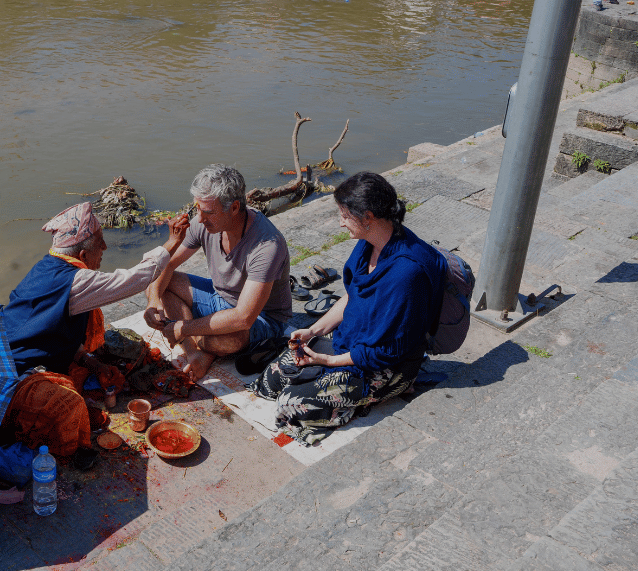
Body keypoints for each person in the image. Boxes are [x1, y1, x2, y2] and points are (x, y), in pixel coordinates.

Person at [251, 172, 448, 445]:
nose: (340, 223)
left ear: (367, 217)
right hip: (351, 344)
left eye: (344, 215)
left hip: (386, 365)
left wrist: (327, 361)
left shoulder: (406, 273)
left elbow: (384, 351)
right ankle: (336, 389)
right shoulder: (368, 244)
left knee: (289, 405)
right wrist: (313, 330)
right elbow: (352, 295)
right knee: (271, 380)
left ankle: (368, 399)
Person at [0, 202, 189, 461]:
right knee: (69, 405)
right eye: (100, 243)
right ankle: (68, 452)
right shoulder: (76, 281)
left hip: (40, 353)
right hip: (15, 371)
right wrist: (172, 243)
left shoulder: (50, 265)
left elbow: (55, 329)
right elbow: (134, 279)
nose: (106, 249)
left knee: (124, 354)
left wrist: (93, 363)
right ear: (84, 255)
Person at [145, 164, 292, 381]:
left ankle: (203, 347)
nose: (200, 219)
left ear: (233, 208)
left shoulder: (267, 245)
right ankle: (194, 352)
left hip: (262, 318)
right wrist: (153, 301)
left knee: (232, 337)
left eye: (208, 212)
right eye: (197, 209)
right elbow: (165, 265)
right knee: (162, 283)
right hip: (219, 298)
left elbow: (243, 317)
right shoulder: (203, 222)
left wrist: (184, 328)